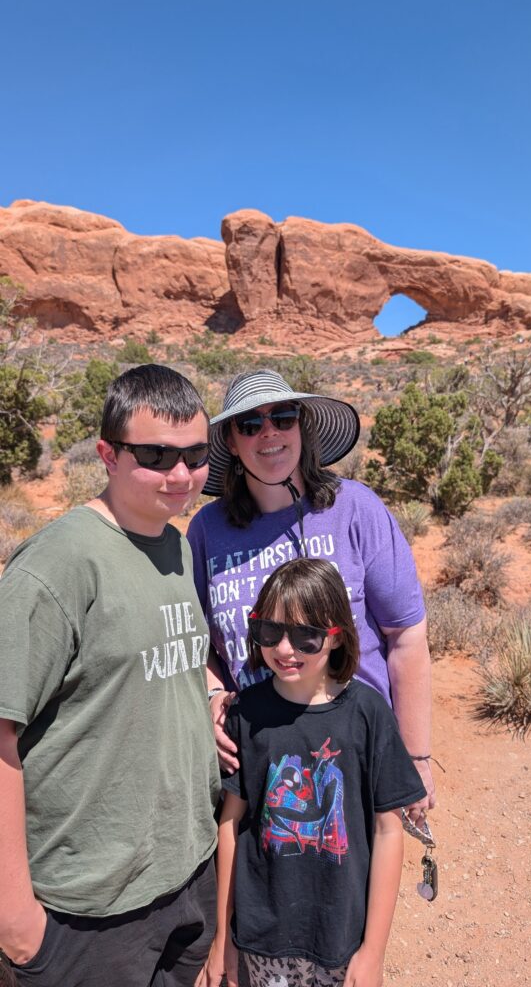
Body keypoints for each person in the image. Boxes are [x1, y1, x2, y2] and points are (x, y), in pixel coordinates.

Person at [0, 364, 221, 987]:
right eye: (156, 455)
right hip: (87, 908)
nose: (181, 474)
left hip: (184, 876)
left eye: (195, 455)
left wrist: (208, 696)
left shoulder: (175, 546)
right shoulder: (59, 564)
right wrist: (15, 918)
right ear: (108, 455)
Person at [187, 369, 435, 826]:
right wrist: (213, 694)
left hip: (357, 750)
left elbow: (406, 636)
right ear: (232, 443)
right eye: (250, 424)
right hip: (258, 755)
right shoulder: (207, 530)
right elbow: (195, 641)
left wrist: (414, 758)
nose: (269, 433)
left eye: (283, 417)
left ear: (302, 426)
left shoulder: (354, 508)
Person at [198, 558, 426, 987]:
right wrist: (222, 937)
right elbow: (231, 824)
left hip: (342, 937)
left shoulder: (368, 714)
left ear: (336, 636)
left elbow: (388, 831)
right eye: (270, 631)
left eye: (306, 636)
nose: (285, 649)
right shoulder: (247, 713)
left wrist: (373, 952)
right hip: (263, 938)